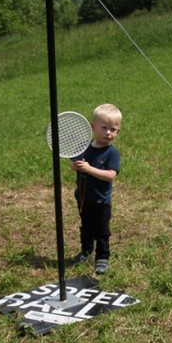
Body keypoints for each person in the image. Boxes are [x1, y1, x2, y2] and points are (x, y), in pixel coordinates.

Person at [69, 104, 122, 275]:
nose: (108, 133)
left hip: (101, 201)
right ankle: (86, 251)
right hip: (83, 198)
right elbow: (74, 166)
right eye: (104, 128)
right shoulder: (84, 148)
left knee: (102, 231)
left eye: (113, 129)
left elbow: (110, 175)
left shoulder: (112, 153)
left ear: (118, 131)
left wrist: (89, 168)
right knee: (86, 227)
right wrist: (76, 166)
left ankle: (102, 257)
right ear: (93, 127)